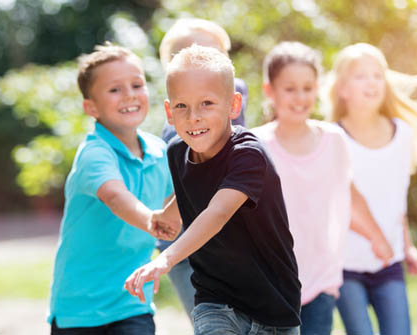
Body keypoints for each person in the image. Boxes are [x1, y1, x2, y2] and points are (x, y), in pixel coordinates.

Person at [124, 45, 301, 335]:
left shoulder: (248, 155)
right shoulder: (177, 151)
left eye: (207, 103)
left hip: (273, 306)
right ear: (169, 111)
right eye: (182, 106)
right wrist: (169, 215)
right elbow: (193, 189)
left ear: (234, 105)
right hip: (215, 299)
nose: (194, 116)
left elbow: (217, 212)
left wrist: (166, 259)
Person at [251, 41, 393, 335]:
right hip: (268, 283)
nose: (300, 97)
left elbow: (348, 195)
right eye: (290, 89)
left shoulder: (334, 140)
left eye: (308, 88)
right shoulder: (256, 145)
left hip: (319, 281)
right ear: (270, 91)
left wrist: (376, 236)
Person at [47, 43, 178, 335]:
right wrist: (150, 221)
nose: (130, 94)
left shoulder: (160, 152)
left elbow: (180, 207)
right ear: (90, 107)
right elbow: (115, 197)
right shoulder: (95, 153)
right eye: (115, 89)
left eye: (137, 84)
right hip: (80, 307)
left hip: (132, 302)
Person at [326, 42, 417, 335]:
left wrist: (407, 247)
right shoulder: (332, 138)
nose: (371, 82)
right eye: (360, 76)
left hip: (389, 262)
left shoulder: (401, 134)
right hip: (345, 266)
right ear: (343, 89)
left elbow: (397, 200)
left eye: (377, 75)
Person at [155, 17, 249, 320]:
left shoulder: (232, 101)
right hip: (185, 247)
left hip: (224, 242)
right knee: (212, 323)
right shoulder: (182, 127)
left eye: (219, 55)